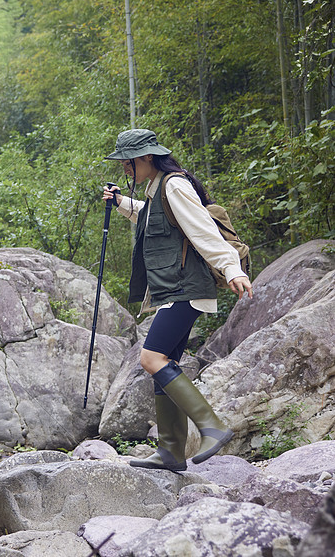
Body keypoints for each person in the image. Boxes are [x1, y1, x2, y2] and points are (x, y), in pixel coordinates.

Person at [102, 128, 253, 472]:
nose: (125, 168)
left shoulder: (174, 185)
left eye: (128, 162)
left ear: (146, 158)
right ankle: (171, 452)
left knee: (150, 358)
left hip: (185, 290)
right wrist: (120, 202)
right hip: (174, 290)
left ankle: (211, 426)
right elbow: (151, 217)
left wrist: (232, 269)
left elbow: (204, 231)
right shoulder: (158, 190)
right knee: (164, 361)